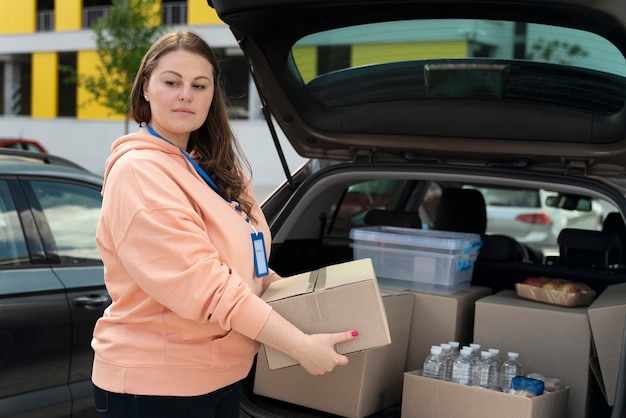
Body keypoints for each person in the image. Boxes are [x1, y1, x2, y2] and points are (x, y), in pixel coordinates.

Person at [91, 31, 358, 417]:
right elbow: (207, 286)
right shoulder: (139, 171)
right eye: (171, 82)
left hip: (223, 376)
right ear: (145, 87)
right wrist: (297, 345)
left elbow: (254, 270)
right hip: (157, 386)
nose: (186, 95)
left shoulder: (214, 169)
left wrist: (316, 308)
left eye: (200, 85)